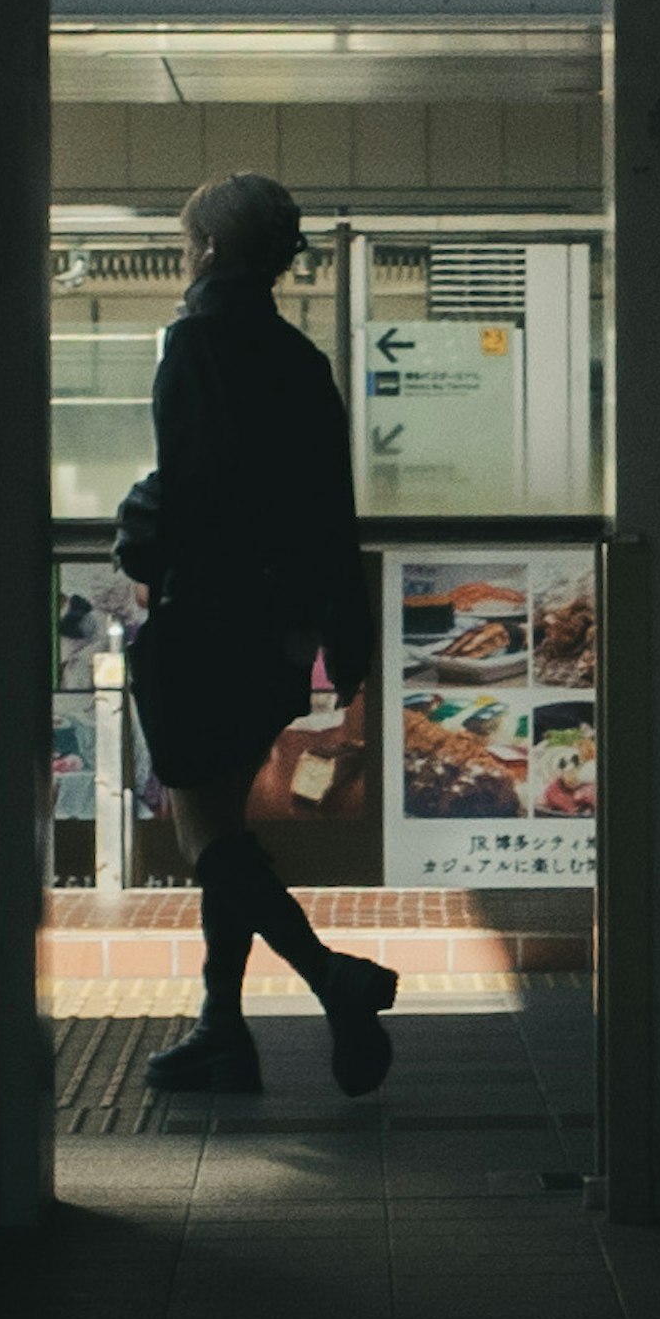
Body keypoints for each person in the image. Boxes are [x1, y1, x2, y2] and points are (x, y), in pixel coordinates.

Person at [112, 174, 397, 1100]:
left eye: (191, 239)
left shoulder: (198, 340)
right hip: (278, 633)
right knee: (227, 826)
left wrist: (135, 526)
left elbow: (190, 486)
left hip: (206, 625)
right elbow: (327, 509)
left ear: (210, 250)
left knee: (207, 838)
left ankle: (330, 978)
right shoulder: (296, 356)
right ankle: (220, 1028)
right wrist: (340, 636)